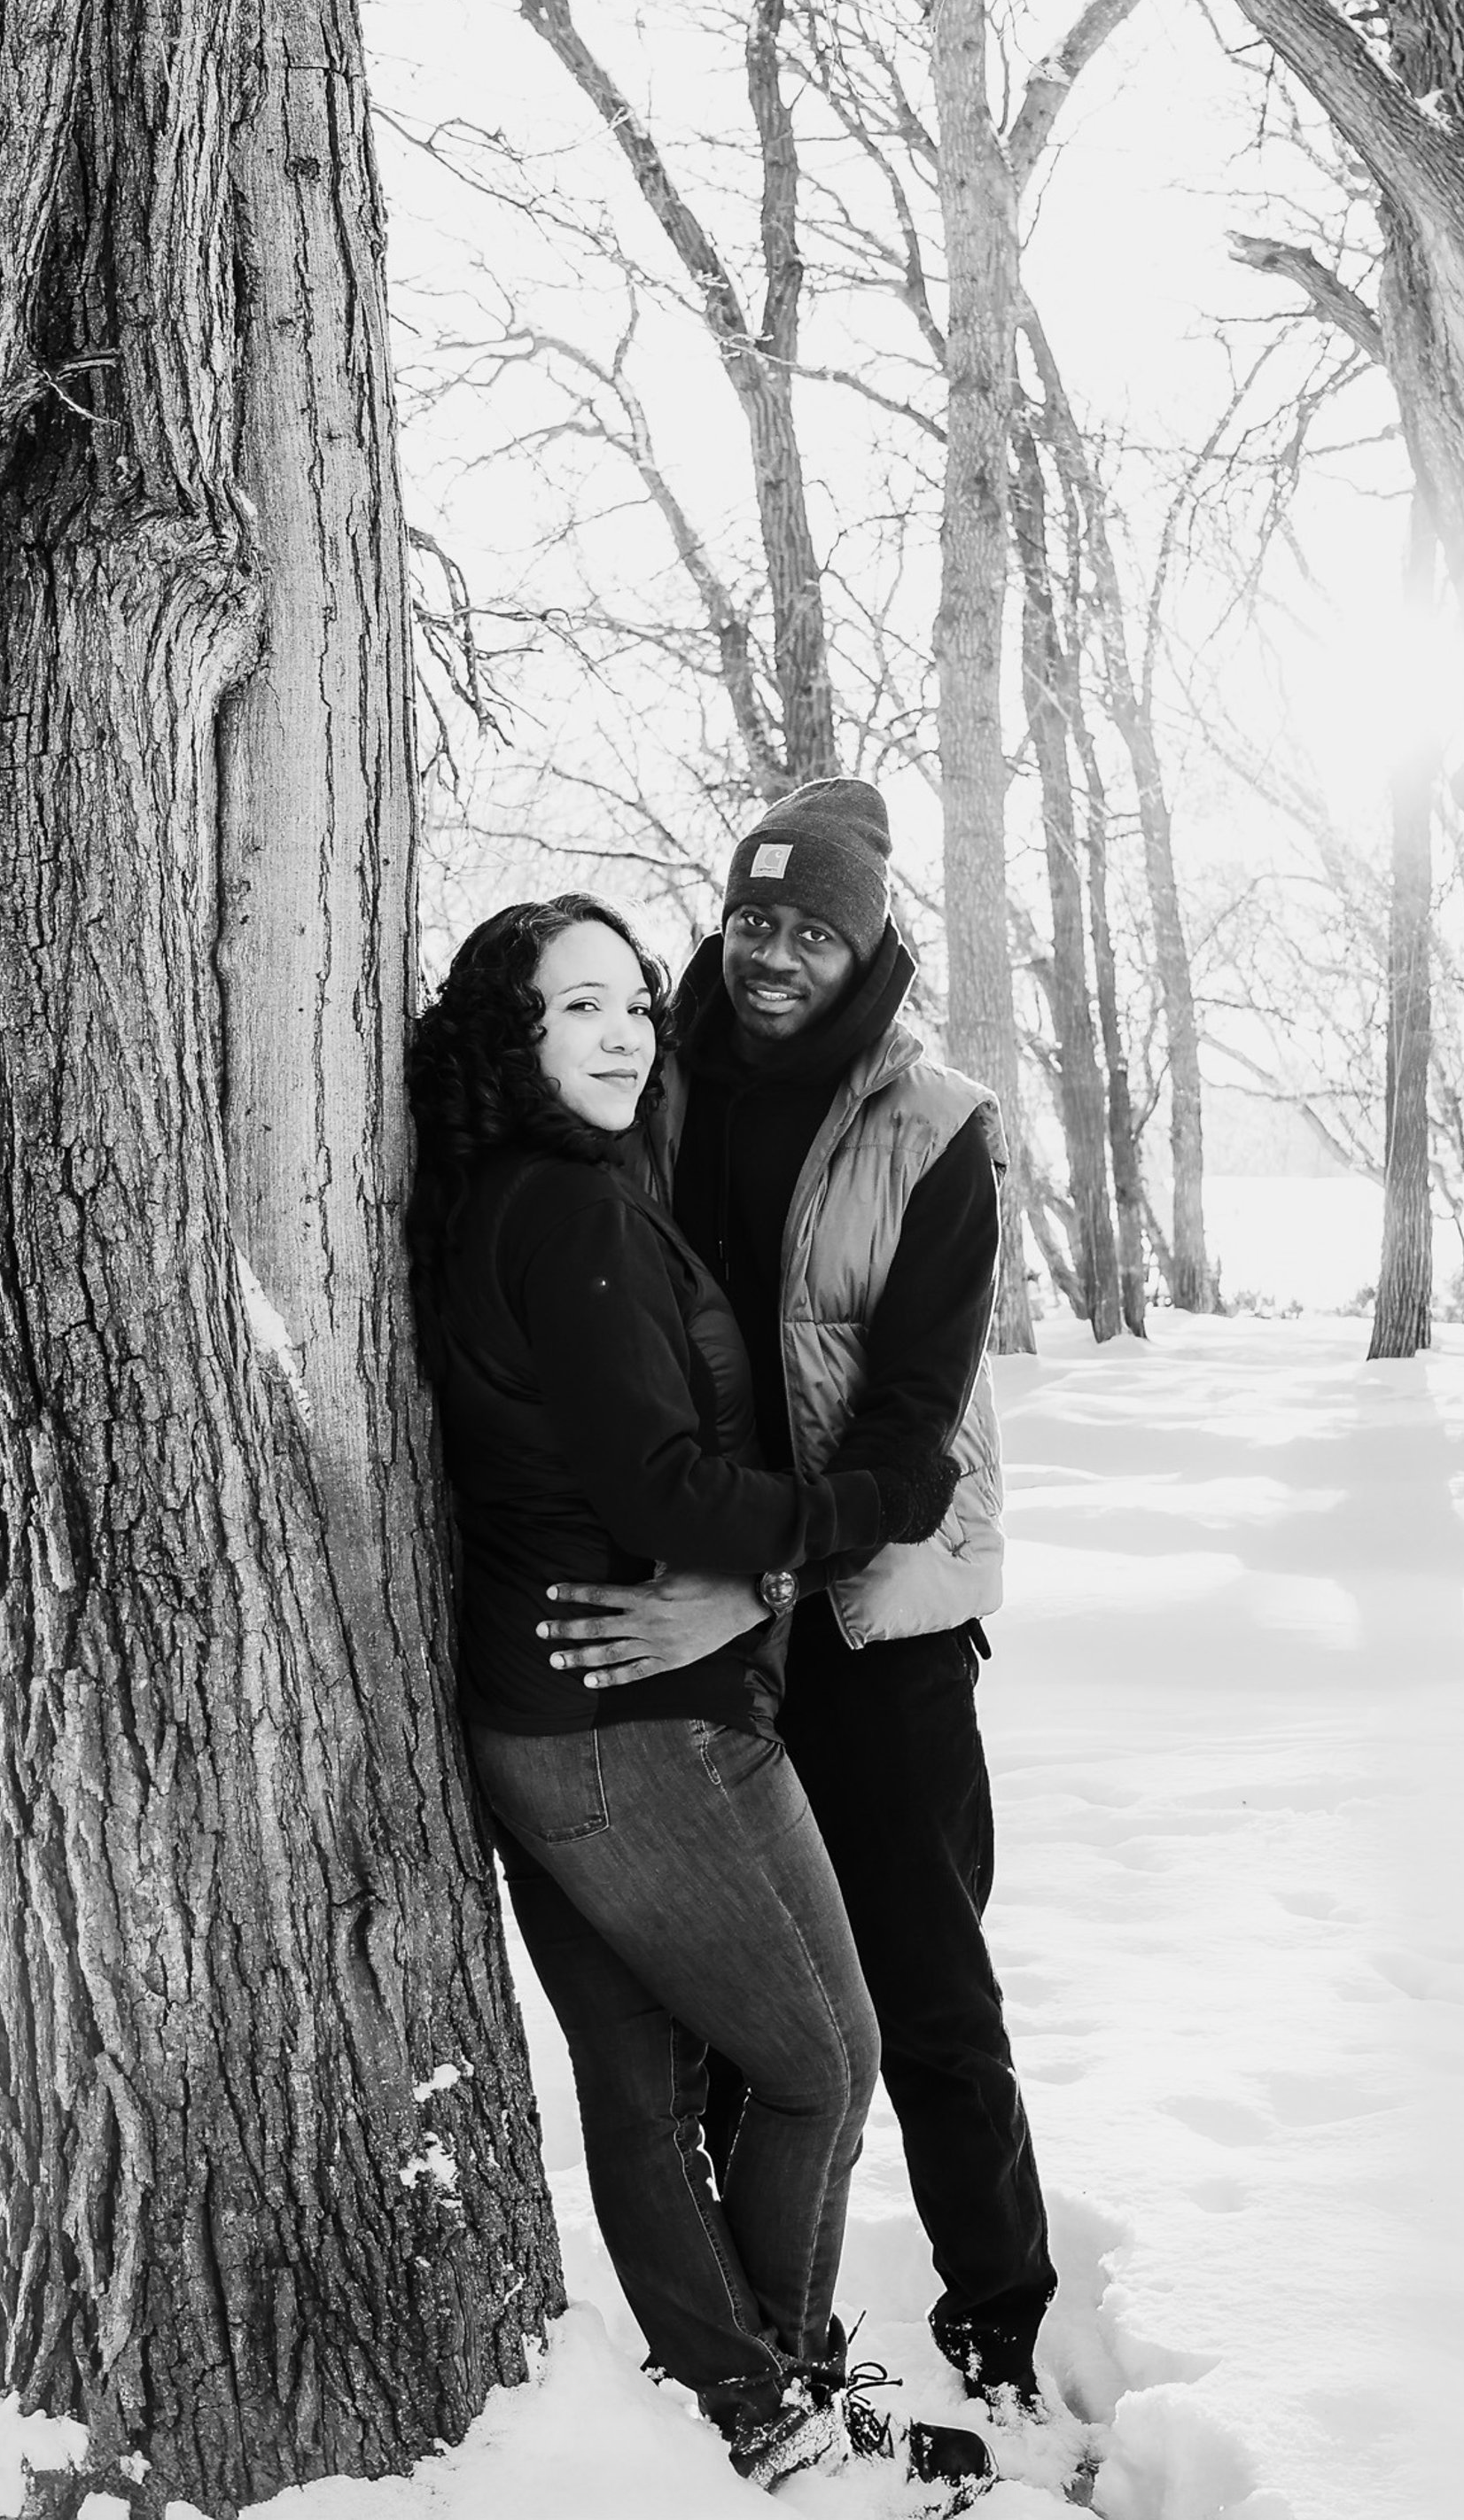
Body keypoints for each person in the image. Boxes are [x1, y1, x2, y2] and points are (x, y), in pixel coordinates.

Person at [405, 892, 972, 2494]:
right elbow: (663, 1490)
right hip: (642, 1725)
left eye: (636, 1002)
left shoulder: (513, 1196)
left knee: (649, 2093)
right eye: (575, 1006)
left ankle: (750, 2414)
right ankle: (776, 2395)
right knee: (825, 2063)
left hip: (547, 1719)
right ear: (508, 1038)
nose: (621, 1033)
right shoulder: (572, 1214)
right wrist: (861, 1511)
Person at [541, 781, 1058, 2413]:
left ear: (864, 937)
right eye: (753, 917)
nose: (772, 953)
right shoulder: (655, 1076)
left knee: (926, 1996)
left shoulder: (938, 1123)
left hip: (870, 1622)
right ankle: (750, 2349)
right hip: (694, 1601)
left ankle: (1003, 2337)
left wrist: (756, 1579)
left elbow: (909, 1450)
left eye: (810, 927)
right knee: (721, 2007)